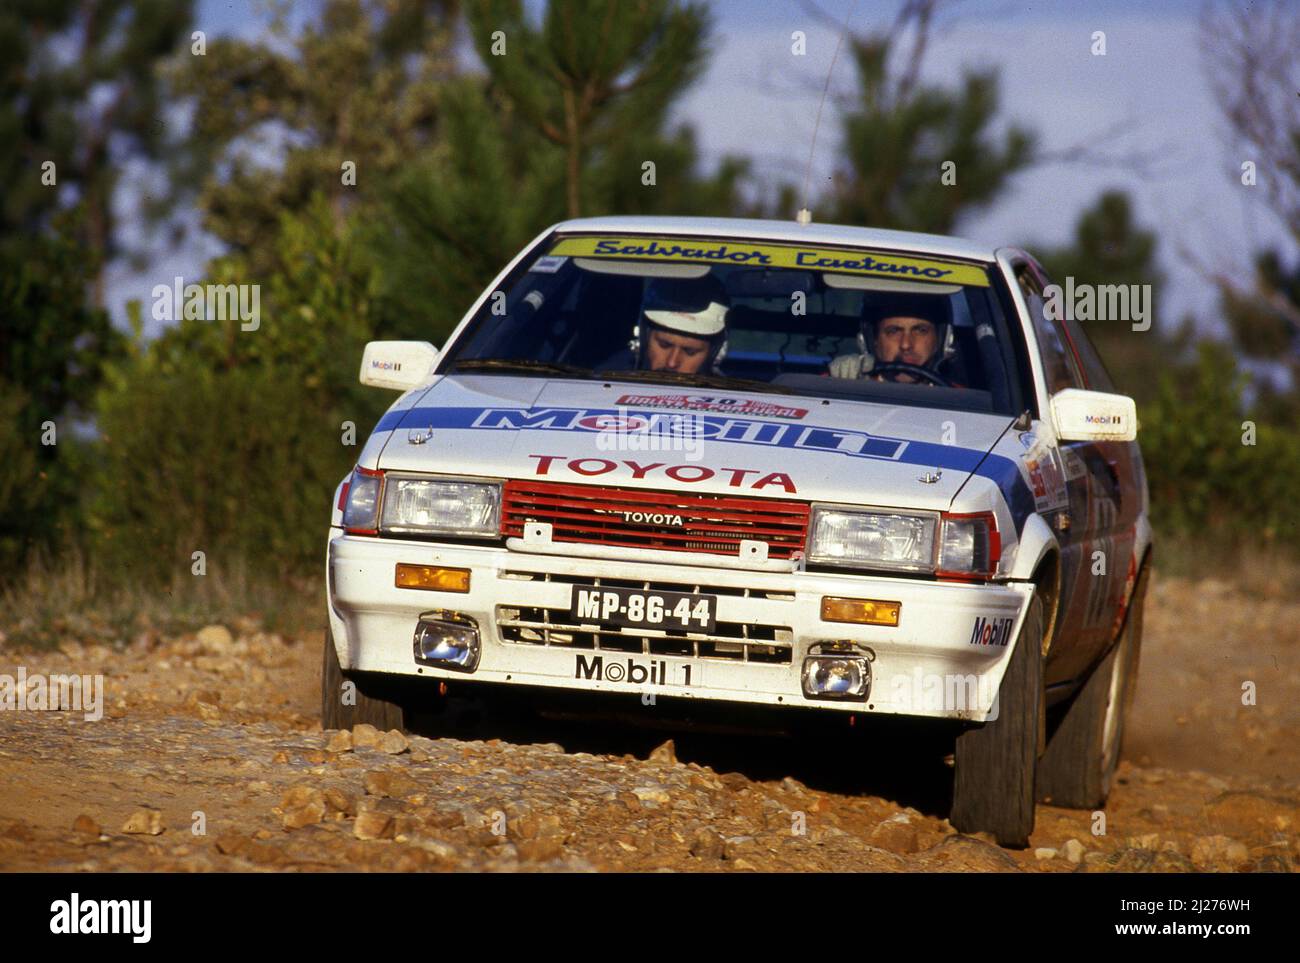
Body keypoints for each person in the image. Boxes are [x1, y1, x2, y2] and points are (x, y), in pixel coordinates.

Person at [600, 274, 729, 374]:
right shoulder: (603, 380)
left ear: (715, 355)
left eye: (690, 351)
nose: (672, 363)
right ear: (643, 339)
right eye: (664, 345)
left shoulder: (729, 404)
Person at [828, 292, 956, 384]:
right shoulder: (839, 385)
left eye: (920, 331)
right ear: (872, 341)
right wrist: (838, 385)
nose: (906, 344)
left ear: (941, 341)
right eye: (893, 331)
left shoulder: (960, 401)